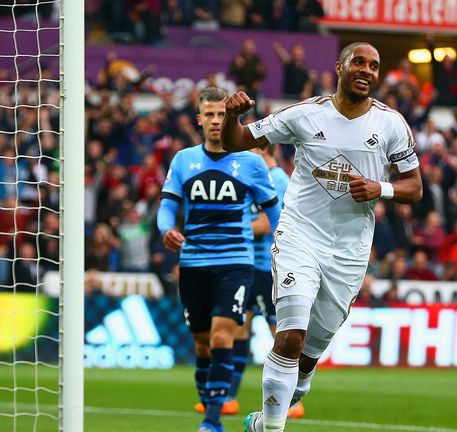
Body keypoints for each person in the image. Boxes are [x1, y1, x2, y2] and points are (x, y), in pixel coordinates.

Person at [221, 42, 423, 432]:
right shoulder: (305, 114)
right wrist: (232, 116)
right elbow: (236, 141)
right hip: (300, 236)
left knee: (308, 360)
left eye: (374, 65)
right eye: (359, 62)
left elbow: (415, 188)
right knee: (291, 336)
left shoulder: (391, 124)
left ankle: (264, 422)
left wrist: (380, 189)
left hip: (349, 252)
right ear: (340, 68)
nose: (367, 70)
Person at [157, 87, 281, 432]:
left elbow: (276, 212)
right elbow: (167, 206)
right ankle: (210, 400)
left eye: (221, 114)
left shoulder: (252, 163)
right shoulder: (183, 160)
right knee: (201, 342)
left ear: (229, 118)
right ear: (199, 119)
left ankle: (212, 419)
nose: (215, 121)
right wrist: (166, 229)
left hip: (235, 262)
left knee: (222, 336)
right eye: (209, 114)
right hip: (194, 262)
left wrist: (284, 250)